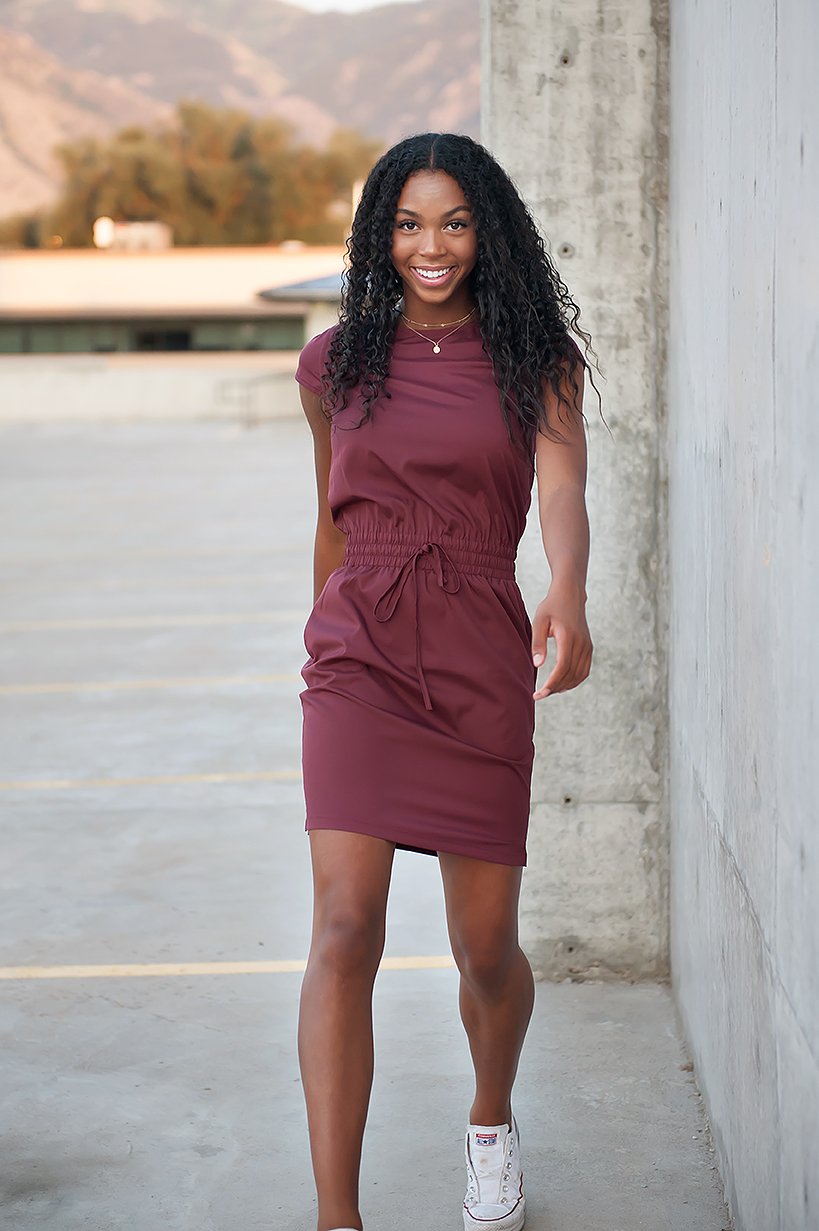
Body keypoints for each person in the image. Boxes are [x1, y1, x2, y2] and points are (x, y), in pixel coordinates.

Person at [294, 132, 598, 1231]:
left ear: (488, 233)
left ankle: (489, 1121)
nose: (432, 245)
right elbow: (330, 515)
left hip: (478, 647)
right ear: (382, 232)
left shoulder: (536, 360)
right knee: (344, 929)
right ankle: (339, 1216)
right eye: (411, 222)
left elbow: (561, 489)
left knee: (483, 948)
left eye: (456, 222)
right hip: (358, 652)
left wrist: (564, 585)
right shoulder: (334, 365)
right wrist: (321, 640)